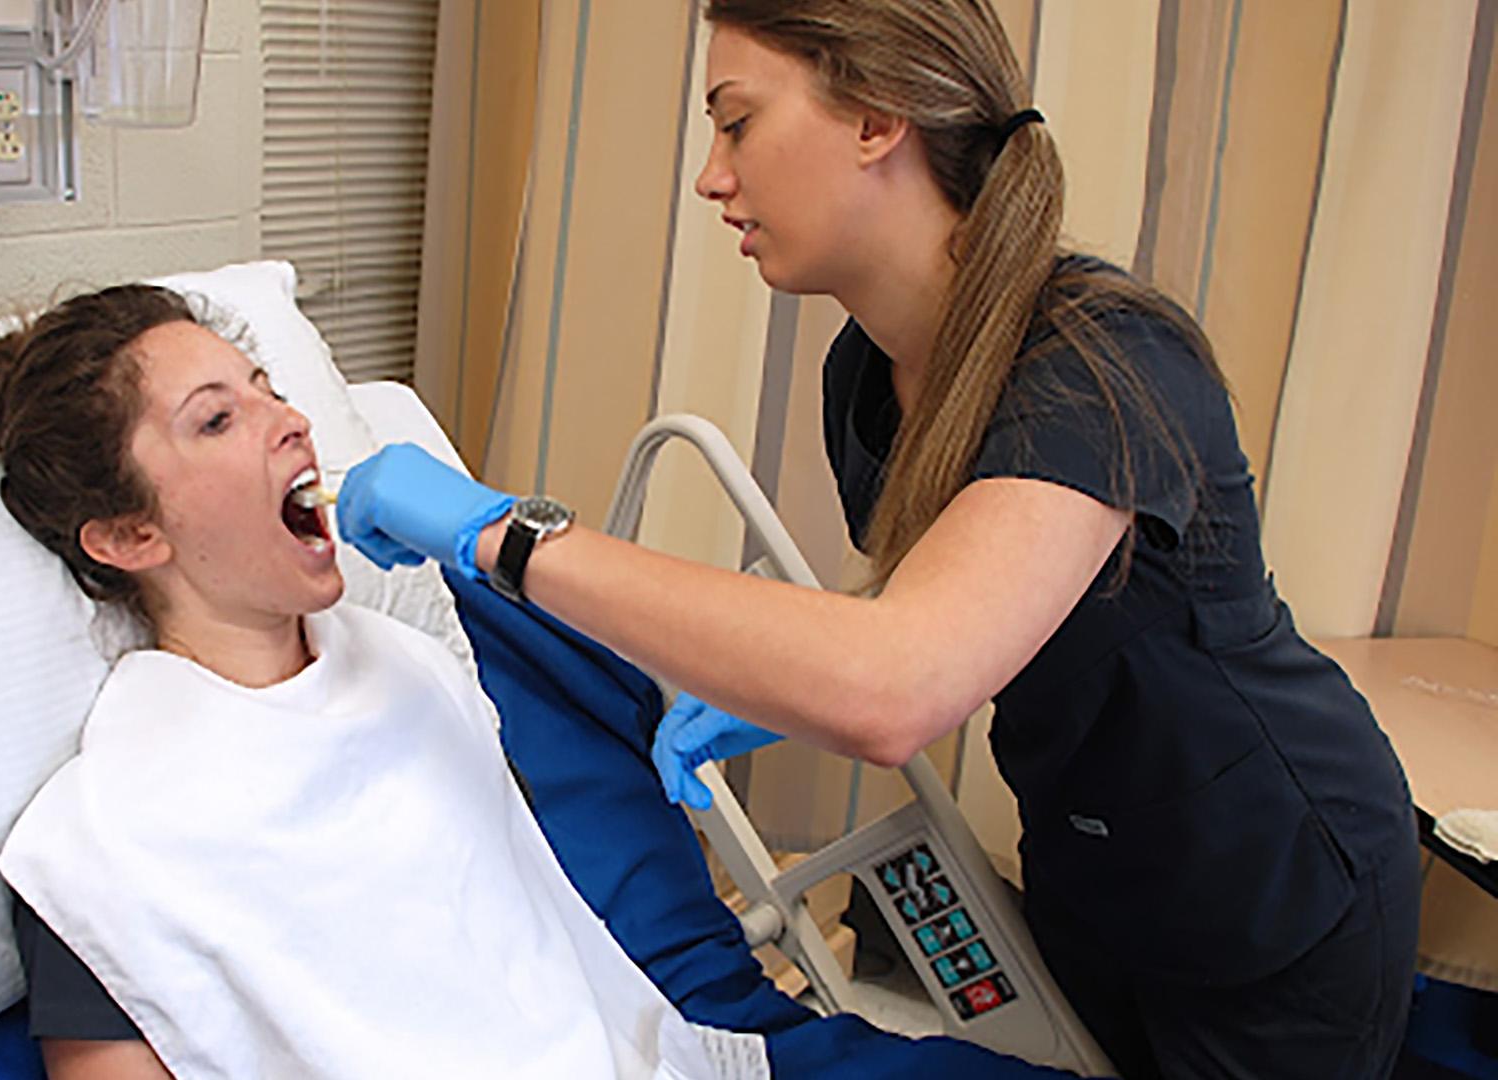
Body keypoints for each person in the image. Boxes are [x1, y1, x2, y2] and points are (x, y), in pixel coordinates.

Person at [335, 2, 1421, 1078]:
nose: (713, 176)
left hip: (1273, 893)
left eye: (738, 122)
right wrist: (788, 675)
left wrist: (507, 537)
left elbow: (896, 689)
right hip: (1100, 871)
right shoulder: (867, 376)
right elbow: (966, 593)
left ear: (877, 119)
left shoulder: (1099, 366)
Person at [0, 285, 792, 1080]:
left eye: (268, 388)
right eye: (216, 420)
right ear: (130, 536)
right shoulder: (102, 842)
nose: (290, 422)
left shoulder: (414, 670)